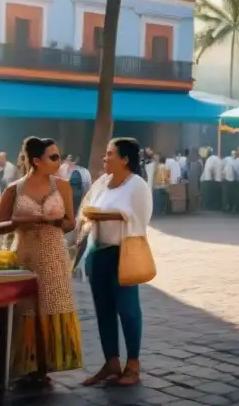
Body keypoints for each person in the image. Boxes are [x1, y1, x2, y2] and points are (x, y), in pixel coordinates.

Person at [0, 137, 83, 387]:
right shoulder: (15, 189)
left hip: (54, 254)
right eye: (53, 157)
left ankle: (47, 363)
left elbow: (70, 223)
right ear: (36, 161)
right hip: (25, 255)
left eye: (59, 156)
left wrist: (55, 222)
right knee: (26, 308)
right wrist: (18, 223)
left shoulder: (62, 186)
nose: (59, 161)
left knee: (53, 304)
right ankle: (27, 362)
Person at [79, 138, 153, 388]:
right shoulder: (101, 182)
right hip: (97, 252)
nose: (105, 158)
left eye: (110, 154)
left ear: (125, 159)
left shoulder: (137, 185)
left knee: (128, 310)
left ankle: (133, 364)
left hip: (123, 253)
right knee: (103, 310)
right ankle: (111, 362)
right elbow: (86, 208)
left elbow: (141, 221)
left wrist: (114, 217)